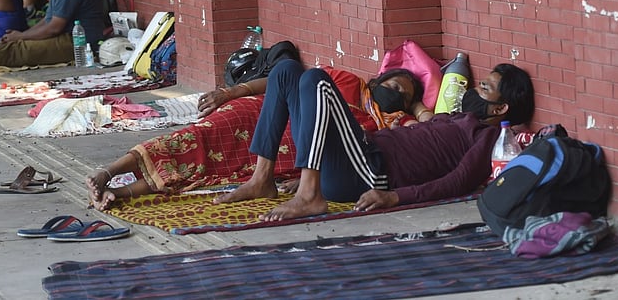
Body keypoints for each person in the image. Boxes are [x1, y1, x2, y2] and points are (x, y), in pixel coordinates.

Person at [212, 60, 535, 221]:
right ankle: (262, 179)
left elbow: (459, 181)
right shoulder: (452, 119)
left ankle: (312, 194)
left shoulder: (489, 135)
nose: (473, 91)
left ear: (501, 108)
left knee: (316, 80)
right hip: (355, 159)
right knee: (286, 69)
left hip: (372, 171)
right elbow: (420, 118)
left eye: (484, 89)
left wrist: (394, 197)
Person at [85, 64, 431, 210]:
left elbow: (428, 128)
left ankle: (119, 190)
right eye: (396, 85)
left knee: (212, 166)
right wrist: (234, 92)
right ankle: (109, 170)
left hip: (297, 149)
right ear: (381, 78)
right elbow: (289, 84)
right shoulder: (348, 81)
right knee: (201, 135)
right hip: (264, 117)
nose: (397, 95)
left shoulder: (387, 120)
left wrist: (415, 105)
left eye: (404, 94)